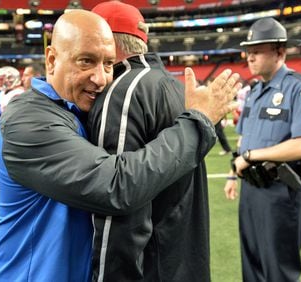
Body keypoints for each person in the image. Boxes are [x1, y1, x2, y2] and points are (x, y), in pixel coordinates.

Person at [0, 10, 241, 281]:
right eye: (86, 61)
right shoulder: (26, 121)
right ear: (52, 59)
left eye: (109, 64)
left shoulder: (79, 111)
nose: (100, 78)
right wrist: (198, 122)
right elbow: (116, 186)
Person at [87, 2, 213, 281]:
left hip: (150, 268)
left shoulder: (124, 89)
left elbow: (117, 205)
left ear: (105, 41)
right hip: (181, 260)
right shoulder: (170, 85)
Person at [223, 18, 301, 282]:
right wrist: (232, 174)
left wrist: (250, 158)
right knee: (251, 263)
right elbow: (244, 138)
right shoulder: (254, 90)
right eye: (249, 52)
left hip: (283, 192)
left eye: (257, 51)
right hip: (252, 186)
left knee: (278, 268)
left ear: (280, 52)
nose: (250, 57)